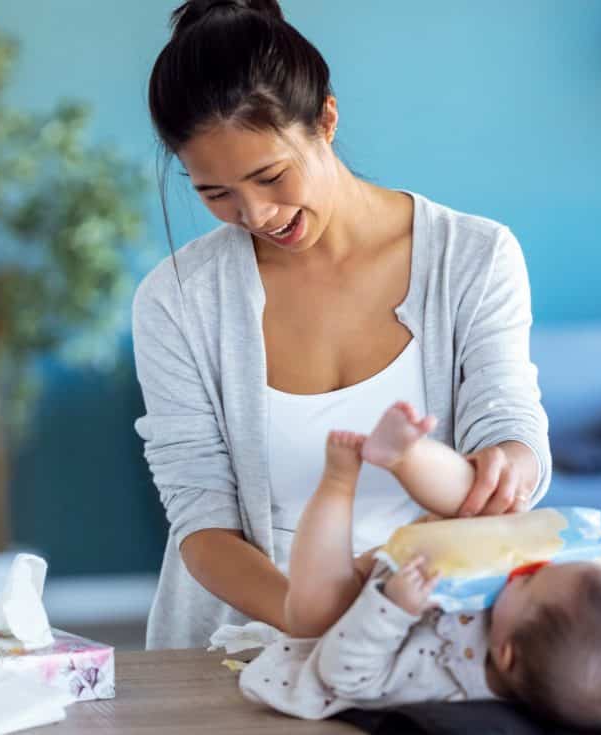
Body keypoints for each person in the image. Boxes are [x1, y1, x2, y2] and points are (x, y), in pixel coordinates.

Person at [135, 0, 551, 649]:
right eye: (214, 194)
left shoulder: (474, 257)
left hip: (437, 637)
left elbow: (509, 425)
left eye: (270, 175)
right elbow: (200, 516)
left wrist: (510, 460)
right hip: (238, 647)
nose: (255, 213)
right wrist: (309, 609)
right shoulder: (177, 300)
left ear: (326, 118)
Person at [241, 401, 601, 729]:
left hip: (356, 615)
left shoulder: (440, 685)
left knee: (316, 610)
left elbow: (344, 674)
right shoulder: (549, 629)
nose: (529, 568)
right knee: (487, 502)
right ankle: (404, 454)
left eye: (530, 580)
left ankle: (336, 482)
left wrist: (393, 608)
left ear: (506, 654)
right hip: (432, 560)